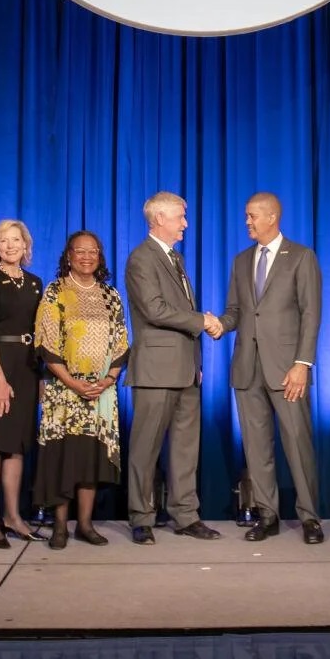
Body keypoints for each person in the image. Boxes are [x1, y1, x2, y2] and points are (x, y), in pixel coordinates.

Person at [214, 193, 324, 544]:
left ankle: (309, 518)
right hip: (248, 368)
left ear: (272, 217)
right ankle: (268, 515)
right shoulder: (241, 260)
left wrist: (302, 364)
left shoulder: (301, 257)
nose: (246, 221)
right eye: (246, 215)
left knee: (297, 443)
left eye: (252, 215)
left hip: (287, 369)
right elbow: (236, 310)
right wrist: (219, 324)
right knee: (256, 447)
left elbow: (311, 314)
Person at [123, 191, 223, 544]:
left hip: (185, 370)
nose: (185, 224)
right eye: (180, 217)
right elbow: (155, 310)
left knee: (185, 448)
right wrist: (203, 320)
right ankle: (141, 516)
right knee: (145, 447)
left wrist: (196, 360)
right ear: (159, 219)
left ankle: (185, 514)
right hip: (154, 370)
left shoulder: (174, 257)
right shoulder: (141, 259)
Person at [33, 231, 130, 549]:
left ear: (100, 257)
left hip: (100, 391)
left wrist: (110, 378)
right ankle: (60, 525)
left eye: (93, 251)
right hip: (64, 391)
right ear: (69, 255)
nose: (87, 256)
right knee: (65, 458)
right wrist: (73, 382)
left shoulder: (110, 295)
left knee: (90, 459)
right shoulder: (56, 292)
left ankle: (85, 525)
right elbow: (47, 343)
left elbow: (121, 341)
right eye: (80, 251)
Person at [0, 219, 45, 549]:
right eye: (4, 240)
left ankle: (13, 516)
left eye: (16, 240)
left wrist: (41, 377)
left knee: (17, 446)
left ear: (26, 246)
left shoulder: (35, 283)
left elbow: (43, 334)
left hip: (28, 367)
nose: (11, 245)